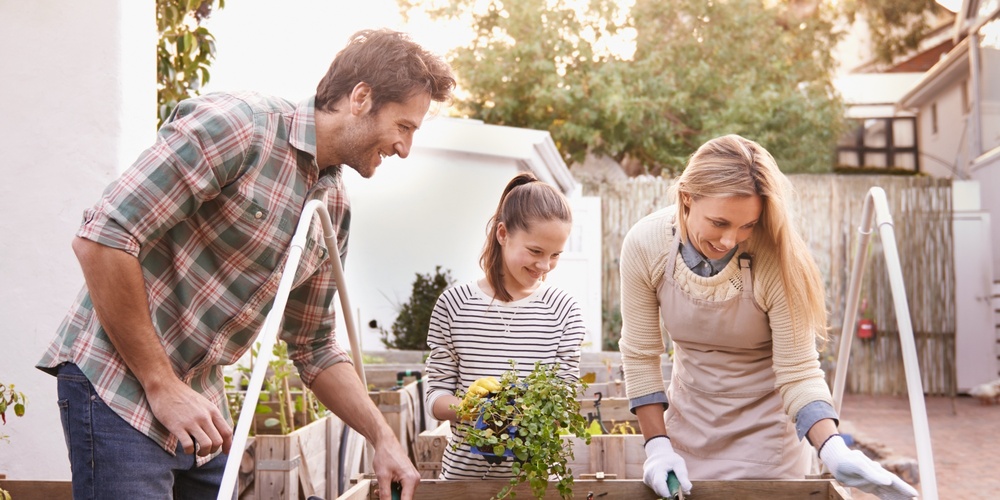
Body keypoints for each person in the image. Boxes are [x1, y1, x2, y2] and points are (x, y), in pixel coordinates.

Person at [36, 28, 455, 500]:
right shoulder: (240, 127)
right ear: (361, 98)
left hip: (199, 403)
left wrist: (382, 438)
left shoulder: (332, 208)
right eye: (404, 127)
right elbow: (103, 238)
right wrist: (162, 384)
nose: (404, 148)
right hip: (119, 383)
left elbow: (315, 347)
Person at [619, 135, 919, 499]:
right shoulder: (646, 244)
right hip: (688, 432)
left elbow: (799, 372)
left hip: (768, 443)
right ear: (686, 198)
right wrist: (657, 446)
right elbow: (640, 356)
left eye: (747, 225)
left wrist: (833, 449)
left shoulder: (777, 257)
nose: (730, 240)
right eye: (719, 222)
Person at [423, 172, 587, 480]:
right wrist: (467, 407)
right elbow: (435, 395)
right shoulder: (454, 305)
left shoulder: (563, 310)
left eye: (555, 255)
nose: (544, 266)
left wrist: (527, 412)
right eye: (535, 251)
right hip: (463, 486)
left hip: (536, 486)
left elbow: (564, 402)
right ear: (502, 233)